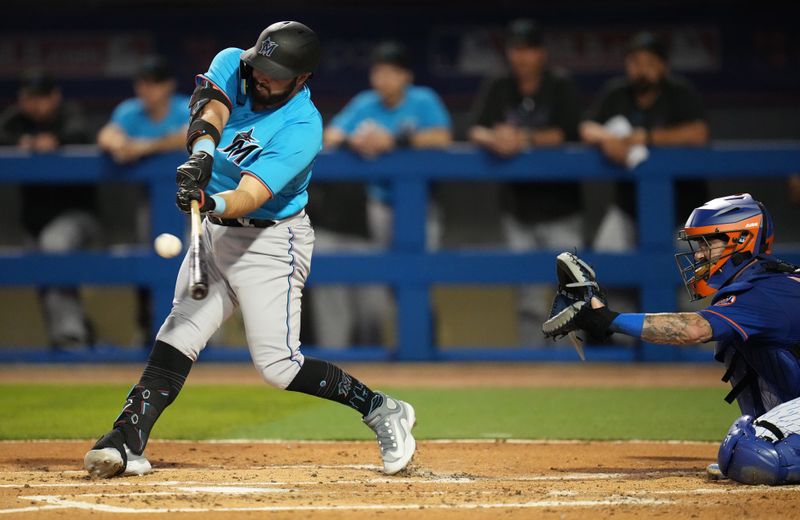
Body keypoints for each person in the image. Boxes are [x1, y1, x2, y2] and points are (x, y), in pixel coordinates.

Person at [83, 21, 416, 479]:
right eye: (262, 66)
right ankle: (126, 438)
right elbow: (210, 108)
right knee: (179, 331)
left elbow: (251, 195)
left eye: (276, 72)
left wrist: (209, 199)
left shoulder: (303, 126)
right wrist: (201, 155)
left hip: (272, 240)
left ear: (302, 79)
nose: (262, 77)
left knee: (279, 366)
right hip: (217, 233)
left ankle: (381, 408)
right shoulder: (235, 63)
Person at [544, 193, 800, 485]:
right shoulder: (767, 283)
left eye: (708, 244)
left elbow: (694, 329)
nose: (699, 255)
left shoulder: (761, 292)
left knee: (750, 454)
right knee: (746, 429)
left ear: (742, 240)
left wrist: (607, 320)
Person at [468, 18, 582, 344]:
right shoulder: (499, 85)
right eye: (516, 49)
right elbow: (476, 128)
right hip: (518, 208)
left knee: (573, 294)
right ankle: (532, 365)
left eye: (528, 49)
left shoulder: (559, 84)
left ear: (541, 53)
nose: (521, 57)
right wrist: (495, 138)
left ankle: (573, 371)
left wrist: (524, 137)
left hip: (562, 206)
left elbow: (569, 132)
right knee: (529, 297)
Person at [580, 31, 710, 252]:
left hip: (683, 208)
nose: (642, 69)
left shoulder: (679, 92)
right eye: (635, 62)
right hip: (630, 207)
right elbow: (586, 128)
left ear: (663, 66)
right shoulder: (617, 93)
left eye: (649, 62)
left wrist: (648, 137)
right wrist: (608, 139)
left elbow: (699, 133)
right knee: (603, 265)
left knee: (693, 275)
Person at [323, 40, 452, 249]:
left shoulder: (423, 99)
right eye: (378, 72)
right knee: (384, 271)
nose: (383, 79)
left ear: (406, 76)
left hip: (419, 199)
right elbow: (331, 134)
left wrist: (394, 140)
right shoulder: (366, 102)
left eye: (391, 73)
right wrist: (353, 140)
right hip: (379, 200)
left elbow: (442, 137)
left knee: (419, 269)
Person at [0, 69, 95, 348]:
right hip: (34, 220)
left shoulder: (69, 114)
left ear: (54, 97)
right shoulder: (17, 121)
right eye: (30, 98)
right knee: (45, 279)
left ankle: (71, 341)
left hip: (78, 216)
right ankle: (73, 336)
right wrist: (23, 143)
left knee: (54, 247)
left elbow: (79, 132)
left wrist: (56, 141)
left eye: (42, 97)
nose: (36, 104)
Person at [97, 55, 190, 164]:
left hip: (179, 178)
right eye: (143, 82)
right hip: (139, 179)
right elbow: (106, 135)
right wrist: (119, 145)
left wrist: (143, 148)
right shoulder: (128, 110)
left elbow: (187, 137)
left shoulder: (187, 107)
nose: (146, 88)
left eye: (155, 82)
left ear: (170, 84)